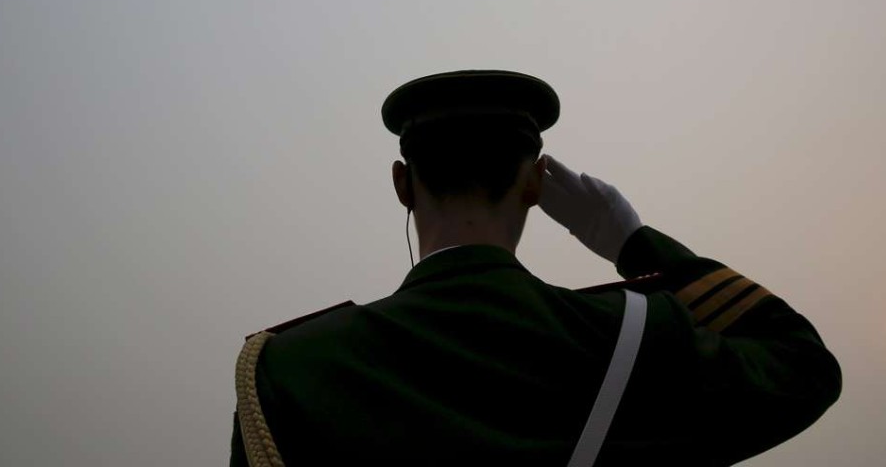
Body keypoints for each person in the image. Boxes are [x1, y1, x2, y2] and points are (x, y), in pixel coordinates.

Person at [230, 70, 841, 466]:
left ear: (402, 185)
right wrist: (630, 242)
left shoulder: (289, 367)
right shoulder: (630, 338)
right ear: (533, 183)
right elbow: (801, 365)